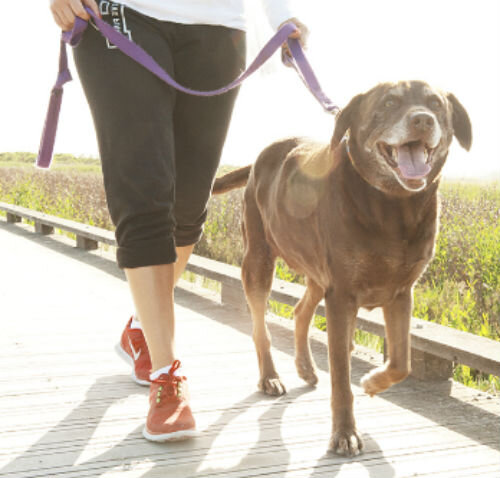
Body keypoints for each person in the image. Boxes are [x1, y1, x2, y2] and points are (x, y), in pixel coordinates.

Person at [48, 0, 308, 442]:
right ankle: (167, 377)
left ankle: (141, 330)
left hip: (217, 25)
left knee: (188, 206)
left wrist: (281, 14)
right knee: (145, 195)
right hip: (119, 13)